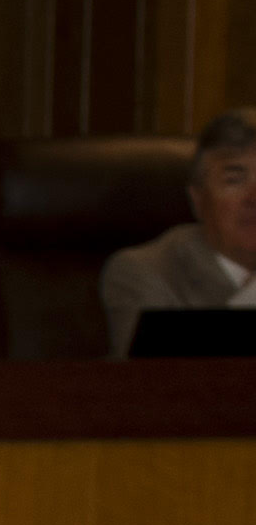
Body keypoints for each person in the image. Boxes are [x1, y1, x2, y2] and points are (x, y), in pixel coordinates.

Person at [100, 106, 256, 351]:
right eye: (234, 180)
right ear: (197, 198)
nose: (253, 198)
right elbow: (149, 383)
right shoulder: (144, 273)